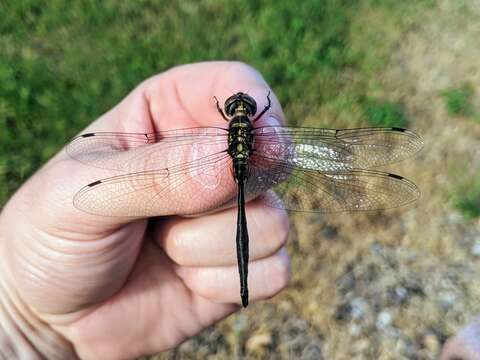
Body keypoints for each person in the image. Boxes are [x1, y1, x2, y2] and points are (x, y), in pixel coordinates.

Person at [0, 62, 291, 359]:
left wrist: (19, 316)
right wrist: (17, 315)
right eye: (235, 106)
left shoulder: (226, 129)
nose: (238, 108)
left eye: (236, 107)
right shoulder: (252, 128)